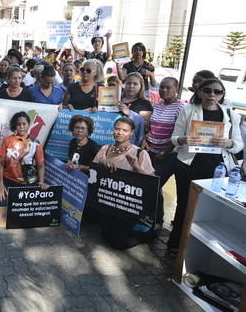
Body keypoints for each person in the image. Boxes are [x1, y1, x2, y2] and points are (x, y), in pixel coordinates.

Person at [167, 78, 243, 253]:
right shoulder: (188, 110)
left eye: (217, 92)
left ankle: (199, 247)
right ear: (200, 92)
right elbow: (174, 137)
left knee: (209, 210)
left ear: (223, 95)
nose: (212, 95)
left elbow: (239, 145)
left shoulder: (231, 114)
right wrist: (184, 139)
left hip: (218, 169)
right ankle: (175, 244)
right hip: (188, 165)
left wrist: (228, 142)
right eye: (208, 90)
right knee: (184, 205)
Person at [92, 116, 156, 250]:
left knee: (118, 243)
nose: (119, 132)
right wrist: (102, 162)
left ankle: (149, 234)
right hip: (107, 201)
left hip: (127, 205)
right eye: (117, 129)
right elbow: (93, 172)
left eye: (124, 130)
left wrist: (137, 167)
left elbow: (151, 183)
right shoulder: (105, 149)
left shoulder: (139, 153)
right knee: (105, 235)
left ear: (132, 133)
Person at [144, 77, 186, 227]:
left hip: (169, 155)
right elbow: (152, 127)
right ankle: (150, 218)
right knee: (152, 185)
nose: (164, 90)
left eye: (168, 87)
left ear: (176, 88)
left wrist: (165, 152)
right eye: (162, 87)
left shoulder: (181, 107)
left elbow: (179, 133)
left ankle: (157, 221)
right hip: (150, 151)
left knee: (154, 184)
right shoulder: (158, 104)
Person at [0, 112, 47, 207]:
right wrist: (0, 184)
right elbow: (1, 163)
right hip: (8, 181)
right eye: (18, 124)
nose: (21, 127)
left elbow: (40, 165)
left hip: (28, 183)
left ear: (29, 125)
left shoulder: (36, 143)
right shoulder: (7, 140)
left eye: (24, 124)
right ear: (14, 126)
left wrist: (41, 181)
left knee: (24, 210)